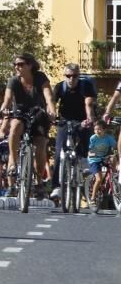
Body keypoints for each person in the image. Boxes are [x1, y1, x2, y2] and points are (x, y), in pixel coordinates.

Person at [0, 52, 56, 192]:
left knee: (41, 146)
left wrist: (52, 111)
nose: (17, 67)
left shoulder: (40, 77)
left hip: (38, 113)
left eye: (20, 64)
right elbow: (7, 99)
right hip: (21, 112)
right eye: (15, 65)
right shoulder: (13, 81)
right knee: (15, 125)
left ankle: (38, 180)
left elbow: (48, 96)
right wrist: (3, 110)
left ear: (30, 65)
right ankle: (13, 159)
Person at [49, 62, 96, 199]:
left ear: (78, 76)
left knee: (85, 133)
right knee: (58, 152)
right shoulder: (60, 87)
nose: (71, 79)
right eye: (68, 76)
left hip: (82, 119)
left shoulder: (85, 85)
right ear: (65, 76)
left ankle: (83, 160)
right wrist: (52, 115)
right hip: (64, 121)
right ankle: (56, 187)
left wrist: (89, 118)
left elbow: (88, 103)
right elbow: (52, 102)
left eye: (74, 76)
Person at [86, 118, 117, 214]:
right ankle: (92, 199)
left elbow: (115, 147)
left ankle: (114, 174)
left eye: (99, 129)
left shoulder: (109, 138)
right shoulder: (93, 138)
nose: (97, 131)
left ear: (104, 130)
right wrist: (92, 154)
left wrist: (115, 153)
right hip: (94, 160)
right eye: (95, 129)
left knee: (114, 158)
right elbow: (90, 150)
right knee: (99, 179)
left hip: (104, 157)